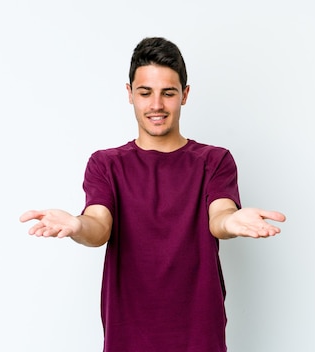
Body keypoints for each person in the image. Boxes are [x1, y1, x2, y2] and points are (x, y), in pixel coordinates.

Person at [19, 37, 286, 352]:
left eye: (168, 93)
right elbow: (98, 224)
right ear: (130, 94)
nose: (156, 105)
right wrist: (78, 226)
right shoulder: (106, 164)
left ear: (184, 95)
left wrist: (231, 222)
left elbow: (219, 216)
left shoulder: (214, 161)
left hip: (199, 337)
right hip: (128, 336)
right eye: (145, 93)